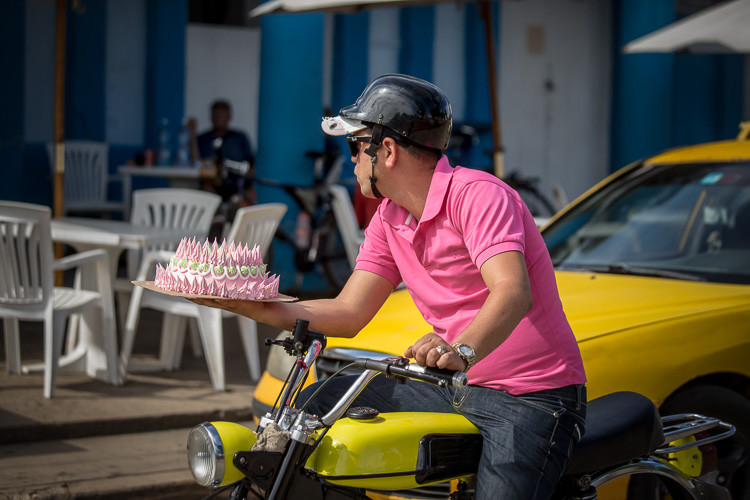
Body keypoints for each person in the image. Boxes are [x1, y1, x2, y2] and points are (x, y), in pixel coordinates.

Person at [190, 74, 587, 499]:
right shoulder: (388, 218)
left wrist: (461, 350)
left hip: (530, 395)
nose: (352, 160)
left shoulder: (478, 195)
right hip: (451, 385)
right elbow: (349, 312)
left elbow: (511, 290)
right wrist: (254, 305)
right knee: (312, 410)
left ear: (388, 151)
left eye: (356, 146)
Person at [188, 99, 256, 206]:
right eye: (215, 114)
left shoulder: (239, 138)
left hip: (236, 185)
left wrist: (246, 183)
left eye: (222, 114)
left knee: (244, 198)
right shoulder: (203, 139)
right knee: (205, 192)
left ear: (229, 117)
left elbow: (251, 165)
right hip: (212, 186)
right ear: (211, 117)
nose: (218, 117)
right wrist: (192, 134)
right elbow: (195, 162)